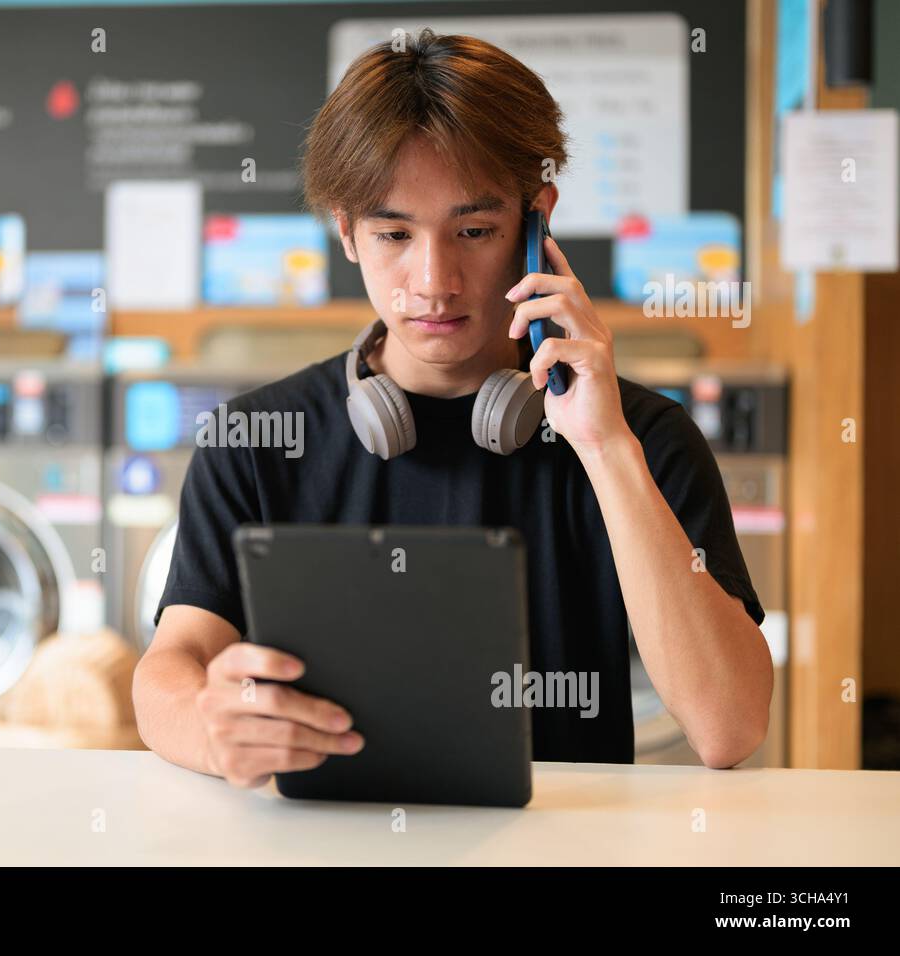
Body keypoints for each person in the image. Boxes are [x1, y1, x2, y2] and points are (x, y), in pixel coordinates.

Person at [132, 29, 771, 789]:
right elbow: (172, 666)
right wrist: (210, 725)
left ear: (537, 223)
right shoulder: (256, 442)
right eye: (394, 234)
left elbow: (728, 728)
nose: (433, 281)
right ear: (345, 230)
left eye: (474, 231)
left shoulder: (645, 441)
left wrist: (603, 448)